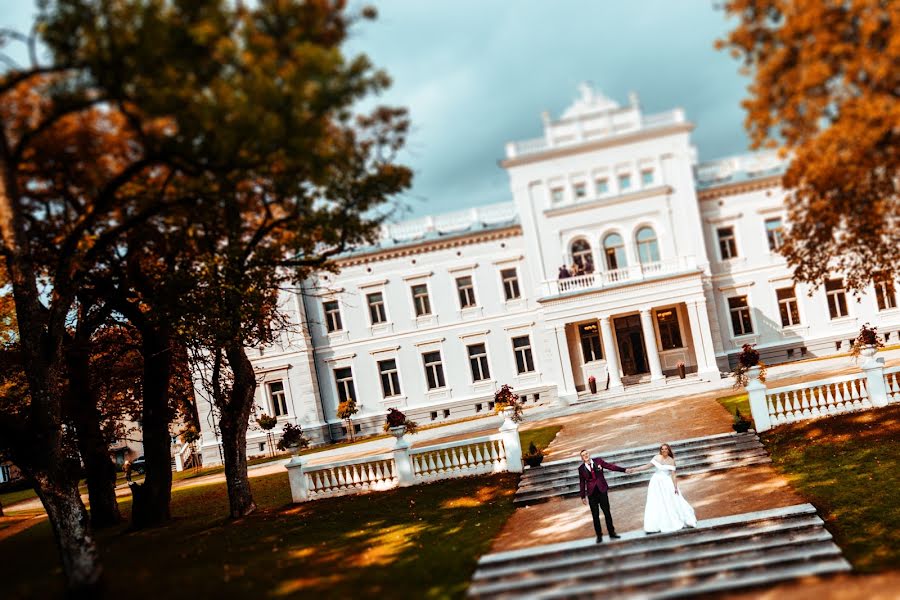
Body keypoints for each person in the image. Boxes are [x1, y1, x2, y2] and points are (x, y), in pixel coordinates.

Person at [627, 443, 697, 533]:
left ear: (668, 450)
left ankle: (673, 520)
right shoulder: (656, 457)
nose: (664, 451)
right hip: (656, 482)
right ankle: (655, 524)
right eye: (662, 449)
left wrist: (675, 487)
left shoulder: (671, 461)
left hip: (666, 483)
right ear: (660, 450)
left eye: (666, 449)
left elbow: (673, 475)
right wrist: (634, 469)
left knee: (670, 500)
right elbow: (646, 466)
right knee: (656, 501)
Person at [578, 449, 626, 543]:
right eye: (583, 455)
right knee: (595, 515)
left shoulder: (598, 461)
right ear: (582, 458)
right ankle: (599, 536)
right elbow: (582, 483)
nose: (586, 455)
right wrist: (583, 496)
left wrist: (623, 470)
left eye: (586, 453)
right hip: (592, 494)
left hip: (602, 491)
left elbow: (610, 466)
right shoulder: (581, 469)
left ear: (589, 454)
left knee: (607, 512)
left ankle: (612, 533)